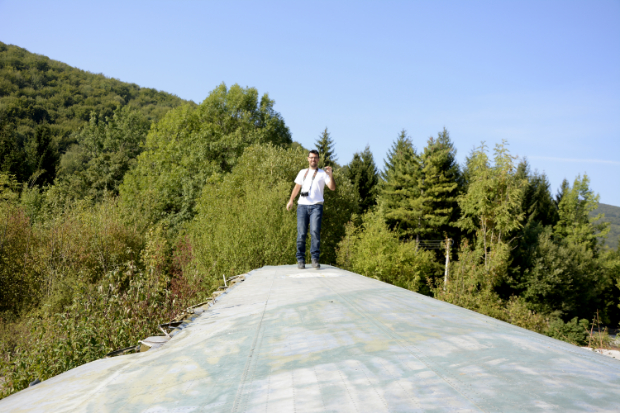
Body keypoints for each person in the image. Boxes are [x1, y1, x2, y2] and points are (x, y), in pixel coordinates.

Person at [286, 150, 336, 269]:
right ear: (308, 159)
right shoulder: (302, 172)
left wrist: (331, 175)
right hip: (302, 206)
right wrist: (291, 200)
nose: (313, 159)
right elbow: (297, 187)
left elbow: (332, 188)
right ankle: (300, 259)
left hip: (316, 206)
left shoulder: (323, 174)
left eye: (315, 158)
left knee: (314, 232)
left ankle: (314, 259)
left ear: (318, 160)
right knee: (301, 233)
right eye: (311, 157)